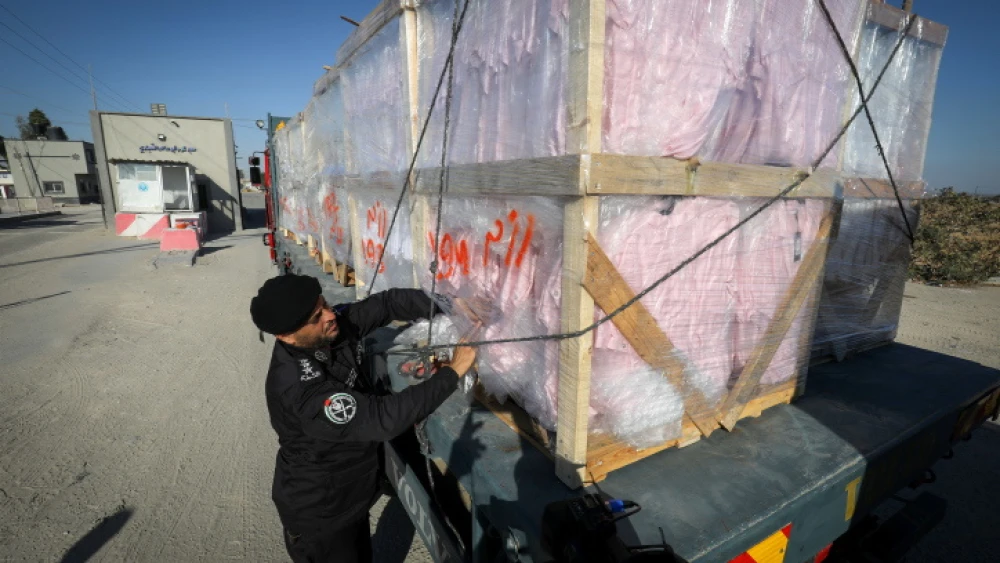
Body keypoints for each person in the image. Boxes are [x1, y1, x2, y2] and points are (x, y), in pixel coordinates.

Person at [250, 274, 476, 563]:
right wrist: (452, 372)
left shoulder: (330, 327)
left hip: (352, 491)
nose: (331, 315)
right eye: (317, 316)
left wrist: (449, 303)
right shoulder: (299, 389)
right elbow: (383, 418)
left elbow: (385, 304)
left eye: (325, 304)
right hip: (323, 512)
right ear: (286, 336)